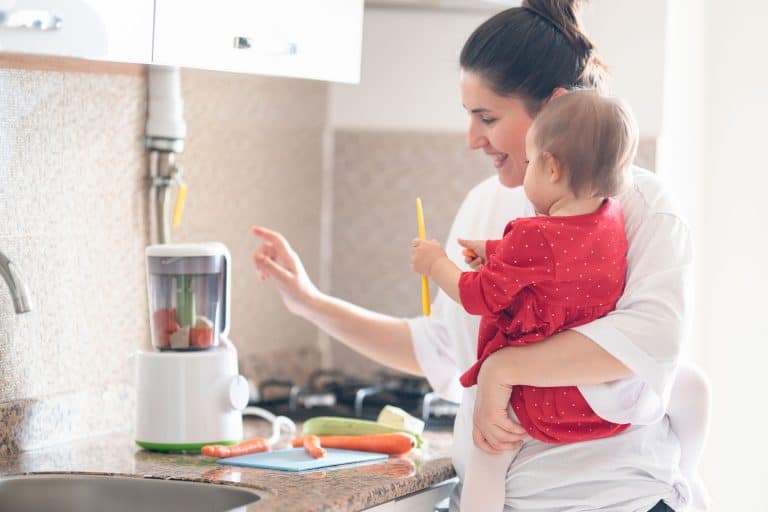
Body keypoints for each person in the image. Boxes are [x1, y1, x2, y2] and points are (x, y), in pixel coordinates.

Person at [251, 1, 709, 510]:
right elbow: (444, 348)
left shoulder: (643, 207)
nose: (473, 139)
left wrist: (502, 369)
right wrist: (309, 302)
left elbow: (648, 342)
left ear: (554, 108)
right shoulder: (484, 204)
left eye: (487, 117)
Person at [411, 89, 638, 511]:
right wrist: (497, 251)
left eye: (531, 162)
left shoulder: (534, 233)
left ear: (551, 168)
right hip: (596, 399)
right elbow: (561, 263)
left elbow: (475, 295)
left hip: (538, 398)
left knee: (484, 454)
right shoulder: (609, 218)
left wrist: (435, 263)